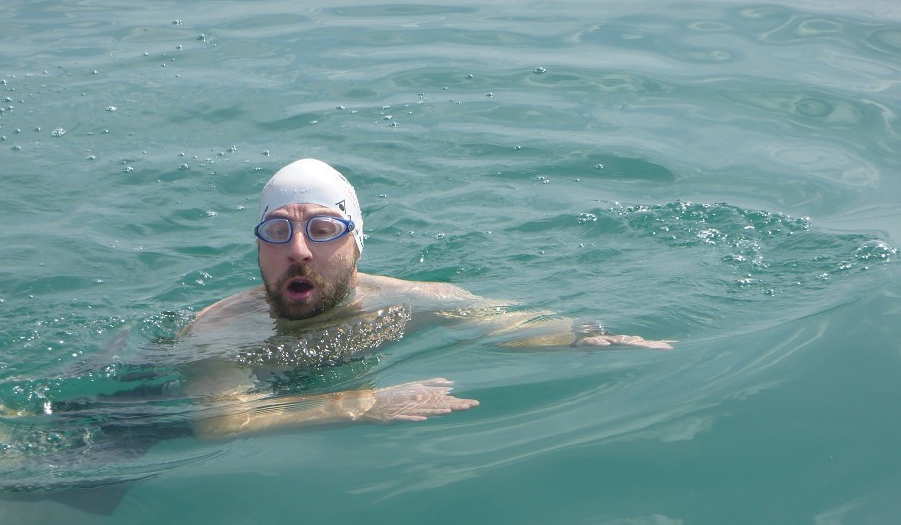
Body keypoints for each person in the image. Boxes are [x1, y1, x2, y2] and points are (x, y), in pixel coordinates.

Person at [179, 158, 671, 441]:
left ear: (356, 244)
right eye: (277, 231)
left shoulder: (409, 301)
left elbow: (503, 324)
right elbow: (222, 421)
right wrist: (361, 404)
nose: (298, 250)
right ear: (260, 247)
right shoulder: (216, 332)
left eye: (324, 230)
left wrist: (582, 339)